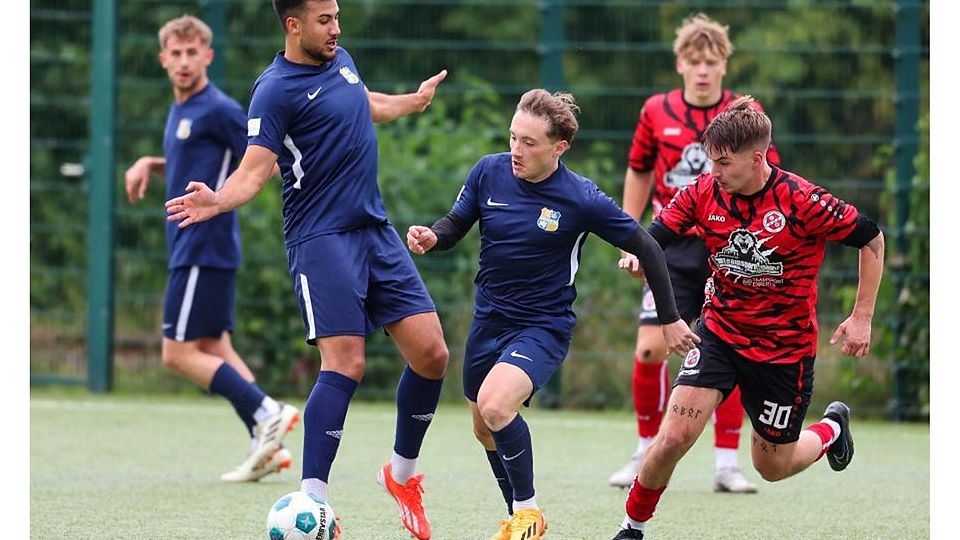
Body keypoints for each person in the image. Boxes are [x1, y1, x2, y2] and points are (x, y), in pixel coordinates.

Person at [164, 2, 449, 538]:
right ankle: (313, 501)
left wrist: (412, 102)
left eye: (337, 15)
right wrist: (217, 201)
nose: (336, 27)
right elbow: (253, 171)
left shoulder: (343, 60)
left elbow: (363, 104)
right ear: (294, 25)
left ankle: (402, 476)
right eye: (325, 19)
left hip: (375, 231)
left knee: (432, 353)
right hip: (321, 240)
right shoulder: (274, 89)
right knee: (346, 364)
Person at [406, 89, 700, 540]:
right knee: (484, 429)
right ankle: (517, 515)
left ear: (558, 147)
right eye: (512, 138)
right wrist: (433, 236)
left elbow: (647, 246)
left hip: (542, 326)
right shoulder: (489, 171)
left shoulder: (580, 197)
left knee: (496, 406)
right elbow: (456, 222)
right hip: (488, 320)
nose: (515, 150)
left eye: (528, 142)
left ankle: (528, 513)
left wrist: (669, 317)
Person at [610, 96, 884, 539]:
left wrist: (862, 316)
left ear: (757, 159)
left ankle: (831, 428)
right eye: (710, 161)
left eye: (723, 162)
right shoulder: (703, 191)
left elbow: (872, 240)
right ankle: (631, 527)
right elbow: (653, 237)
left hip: (783, 351)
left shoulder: (802, 200)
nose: (713, 171)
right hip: (719, 333)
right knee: (675, 436)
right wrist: (636, 253)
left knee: (772, 466)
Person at [609, 12, 781, 493]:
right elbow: (640, 170)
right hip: (668, 249)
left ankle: (726, 461)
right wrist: (632, 236)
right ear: (680, 64)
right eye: (693, 60)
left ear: (724, 64)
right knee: (649, 348)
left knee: (725, 350)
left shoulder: (745, 113)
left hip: (728, 250)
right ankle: (645, 450)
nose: (702, 70)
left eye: (711, 61)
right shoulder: (655, 111)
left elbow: (767, 176)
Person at [123, 14, 299, 484]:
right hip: (203, 248)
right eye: (175, 54)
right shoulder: (180, 110)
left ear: (208, 56)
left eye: (191, 52)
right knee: (214, 347)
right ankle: (267, 441)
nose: (183, 62)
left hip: (202, 244)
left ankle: (267, 411)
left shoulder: (217, 109)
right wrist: (150, 163)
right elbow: (191, 160)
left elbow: (261, 159)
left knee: (176, 354)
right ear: (163, 59)